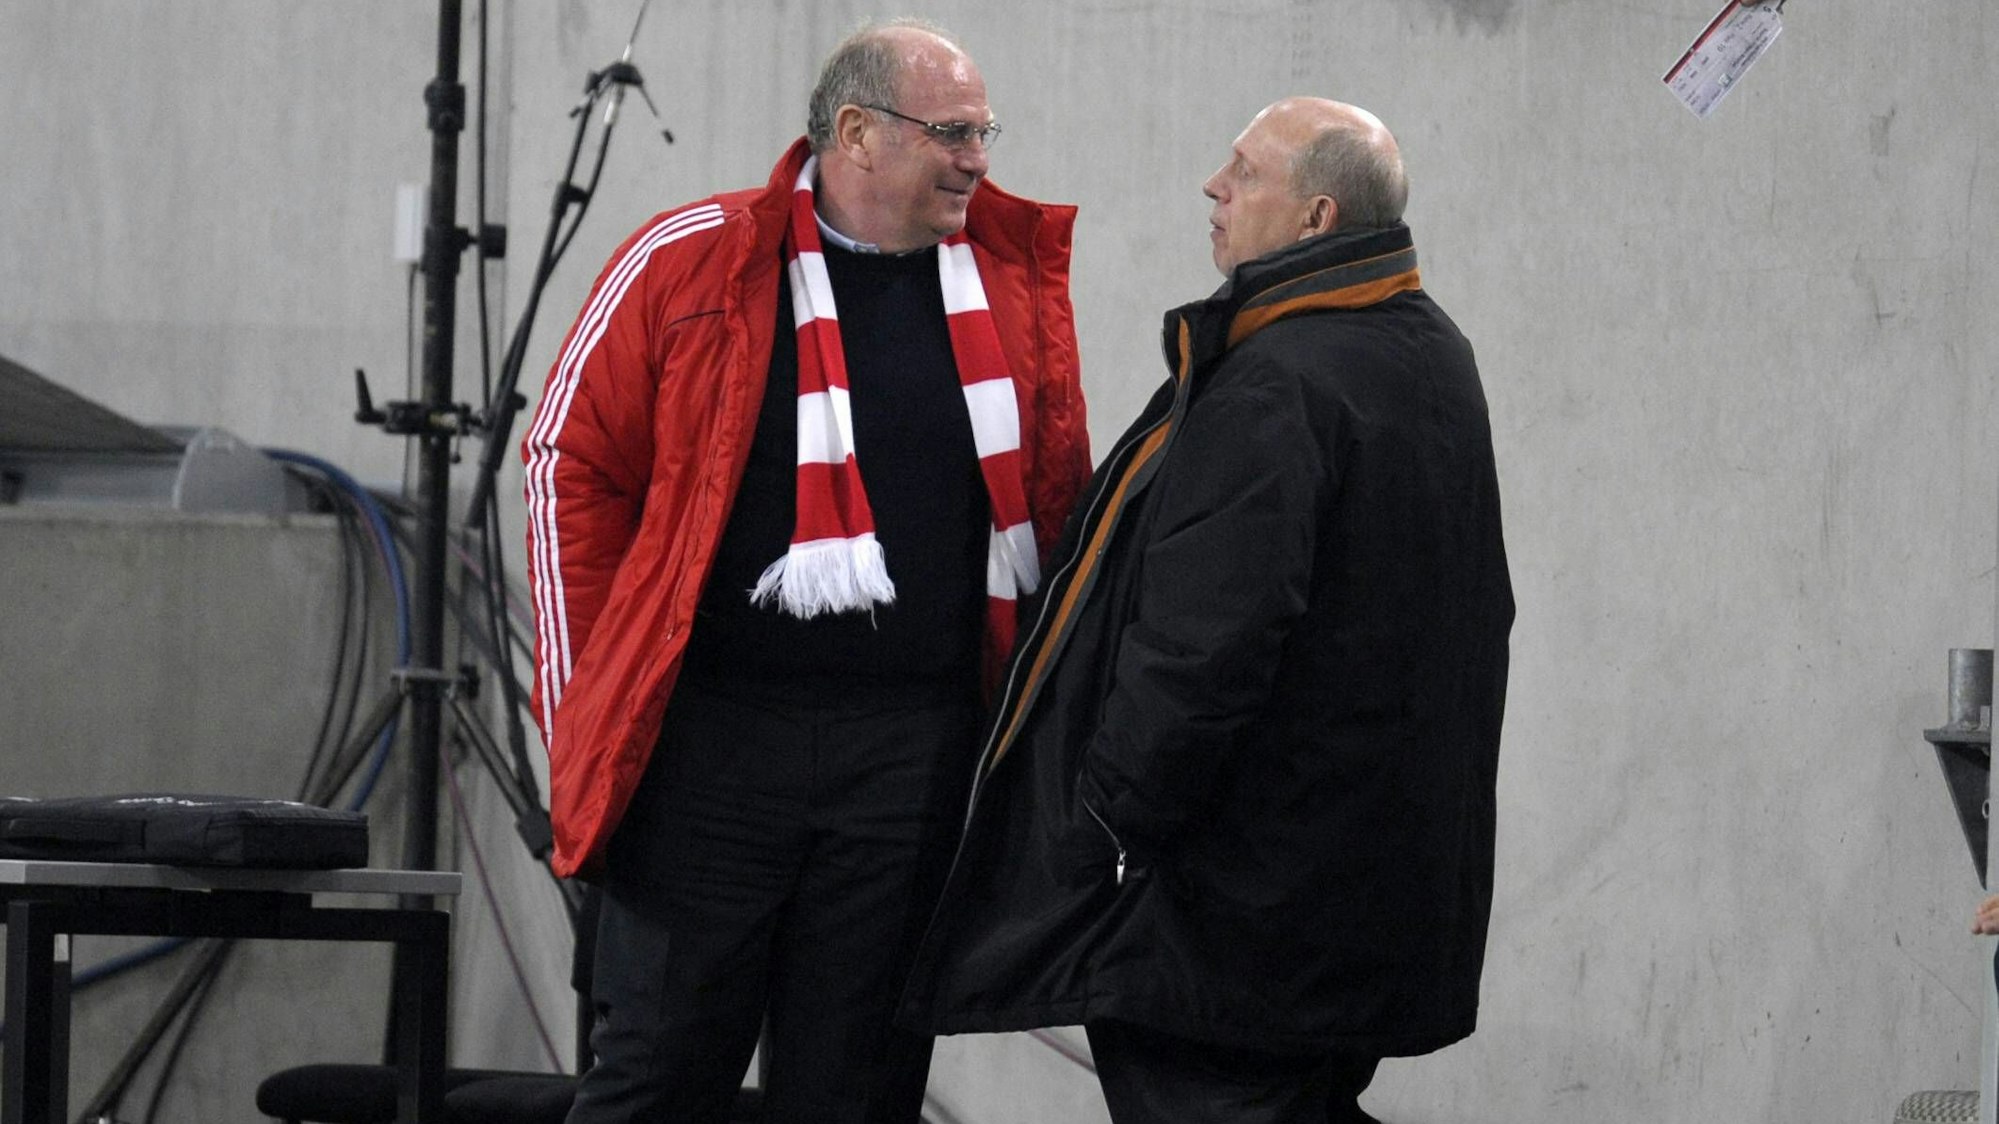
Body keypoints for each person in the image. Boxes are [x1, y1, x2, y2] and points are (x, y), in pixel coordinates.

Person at [900, 98, 1514, 1124]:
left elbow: (1203, 644)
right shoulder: (1424, 350)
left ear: (1316, 217)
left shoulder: (1278, 381)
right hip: (1362, 892)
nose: (1212, 187)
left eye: (1245, 171)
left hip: (1238, 913)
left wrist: (1107, 817)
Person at [520, 20, 1089, 1123]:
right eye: (952, 132)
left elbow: (1051, 505)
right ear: (856, 133)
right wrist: (591, 704)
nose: (978, 157)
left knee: (859, 1092)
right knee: (656, 1076)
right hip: (710, 749)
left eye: (984, 131)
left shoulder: (1006, 286)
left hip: (910, 760)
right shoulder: (692, 255)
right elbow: (566, 465)